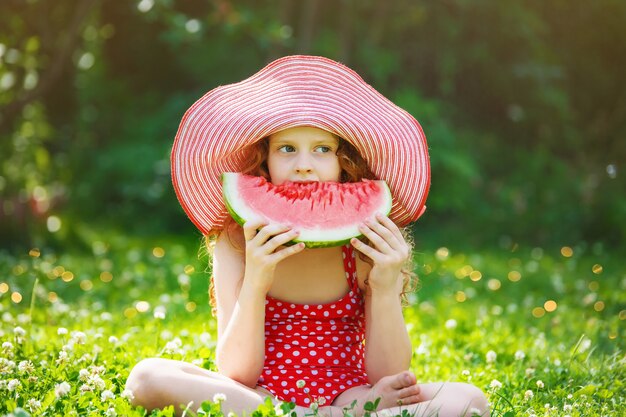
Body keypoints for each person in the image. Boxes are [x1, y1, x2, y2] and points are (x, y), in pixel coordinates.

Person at [126, 56, 489, 417]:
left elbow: (388, 377)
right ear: (262, 158)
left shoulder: (365, 242)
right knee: (147, 378)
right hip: (258, 396)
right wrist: (256, 280)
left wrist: (385, 283)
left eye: (322, 149)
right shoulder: (235, 240)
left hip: (351, 395)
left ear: (345, 161)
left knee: (470, 399)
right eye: (287, 148)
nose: (303, 164)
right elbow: (236, 373)